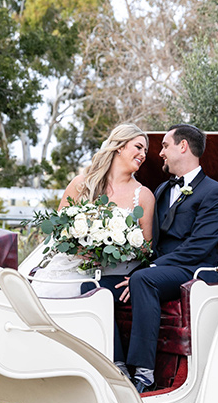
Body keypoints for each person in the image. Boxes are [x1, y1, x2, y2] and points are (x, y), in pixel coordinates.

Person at [93, 124, 218, 393]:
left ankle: (144, 372)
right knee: (101, 286)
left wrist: (149, 268)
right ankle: (117, 365)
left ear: (183, 146)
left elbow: (200, 246)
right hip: (157, 269)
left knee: (143, 279)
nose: (160, 153)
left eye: (165, 146)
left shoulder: (215, 192)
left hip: (193, 269)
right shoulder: (162, 190)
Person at [31, 124, 155, 299]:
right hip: (74, 263)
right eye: (138, 147)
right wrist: (79, 250)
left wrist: (113, 252)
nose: (143, 155)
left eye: (145, 151)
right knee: (49, 290)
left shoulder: (144, 196)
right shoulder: (81, 183)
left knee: (77, 293)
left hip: (114, 271)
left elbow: (147, 248)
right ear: (119, 146)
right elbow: (58, 228)